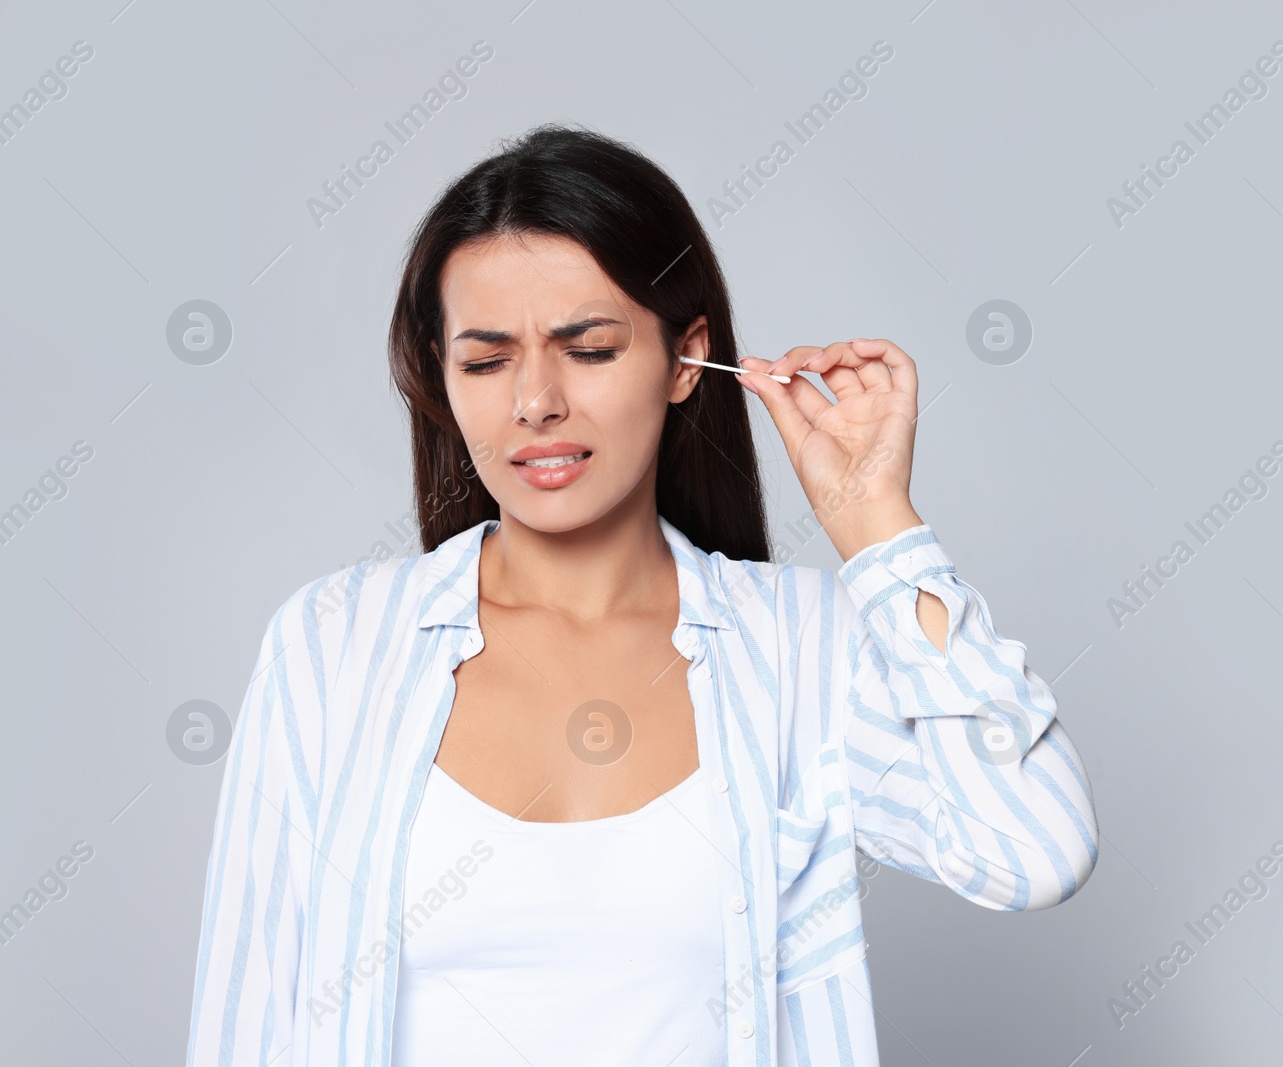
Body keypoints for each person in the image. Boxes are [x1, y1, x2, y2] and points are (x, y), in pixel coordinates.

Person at [186, 123, 1098, 1067]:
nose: (535, 401)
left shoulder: (800, 647)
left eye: (588, 348)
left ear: (683, 359)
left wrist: (874, 524)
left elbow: (1034, 849)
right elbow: (244, 1025)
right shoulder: (332, 645)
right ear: (442, 376)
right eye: (488, 360)